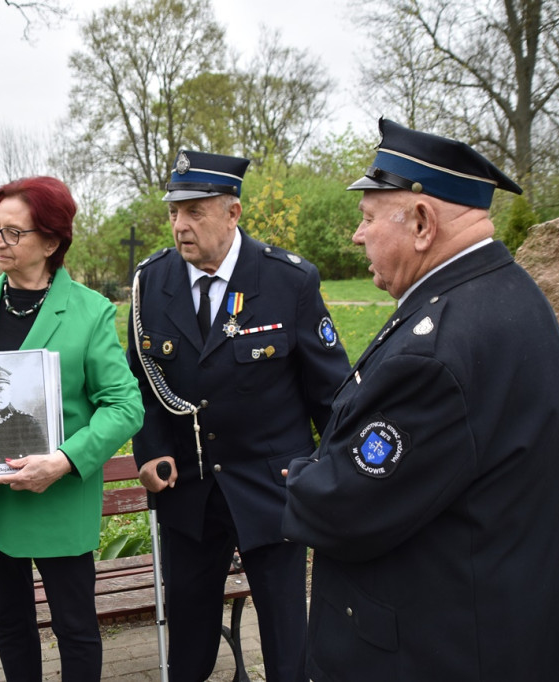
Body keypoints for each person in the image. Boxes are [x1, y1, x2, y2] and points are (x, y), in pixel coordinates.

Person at [282, 118, 559, 681]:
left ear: (421, 222)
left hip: (438, 650)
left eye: (368, 218)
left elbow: (347, 506)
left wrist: (298, 477)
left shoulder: (440, 346)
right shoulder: (507, 292)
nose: (356, 235)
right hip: (495, 630)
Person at [129, 150, 350, 682]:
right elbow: (141, 381)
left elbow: (333, 393)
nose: (181, 224)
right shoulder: (151, 283)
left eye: (195, 211)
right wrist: (150, 448)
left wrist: (327, 473)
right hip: (188, 489)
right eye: (174, 212)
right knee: (189, 640)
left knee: (285, 635)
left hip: (271, 487)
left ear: (233, 212)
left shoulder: (287, 281)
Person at [0, 176, 144, 681]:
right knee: (10, 622)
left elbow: (124, 405)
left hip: (55, 496)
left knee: (75, 626)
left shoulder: (90, 311)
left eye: (13, 233)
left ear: (51, 242)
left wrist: (64, 461)